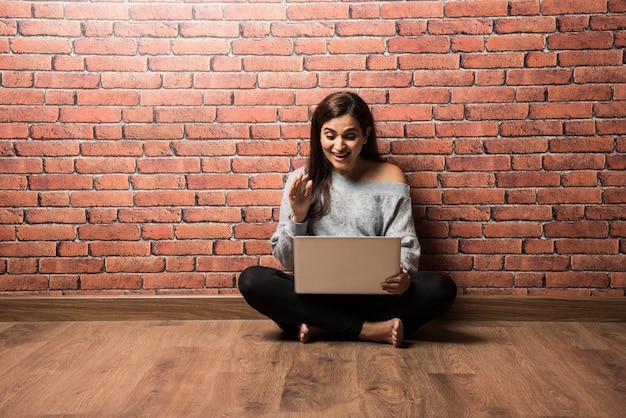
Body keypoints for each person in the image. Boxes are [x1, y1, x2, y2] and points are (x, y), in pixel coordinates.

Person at [238, 92, 456, 347]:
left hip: (375, 296)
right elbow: (287, 260)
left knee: (442, 288)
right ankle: (367, 330)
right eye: (330, 136)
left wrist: (404, 274)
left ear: (366, 135)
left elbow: (406, 245)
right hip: (315, 297)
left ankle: (326, 326)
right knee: (253, 281)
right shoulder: (302, 181)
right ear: (319, 135)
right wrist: (298, 217)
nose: (339, 146)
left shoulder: (390, 176)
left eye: (349, 136)